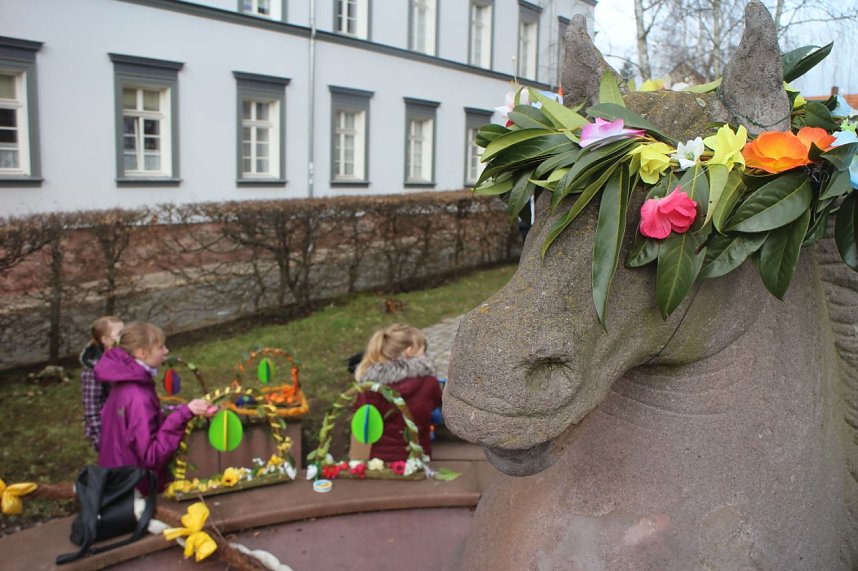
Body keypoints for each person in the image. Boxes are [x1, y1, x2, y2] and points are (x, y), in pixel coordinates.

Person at [95, 322, 214, 492]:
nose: (166, 351)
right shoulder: (138, 395)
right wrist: (182, 415)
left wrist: (185, 410)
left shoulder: (123, 387)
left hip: (118, 483)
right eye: (160, 347)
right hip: (138, 491)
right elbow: (151, 456)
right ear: (143, 353)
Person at [354, 324, 443, 462]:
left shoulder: (369, 385)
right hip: (417, 458)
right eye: (424, 350)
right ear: (410, 351)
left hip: (380, 460)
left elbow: (362, 420)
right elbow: (438, 405)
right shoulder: (429, 383)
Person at [80, 315, 124, 451]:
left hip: (126, 423)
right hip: (110, 430)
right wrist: (102, 440)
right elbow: (92, 409)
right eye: (119, 334)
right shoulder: (94, 370)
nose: (125, 337)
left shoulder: (121, 358)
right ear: (105, 339)